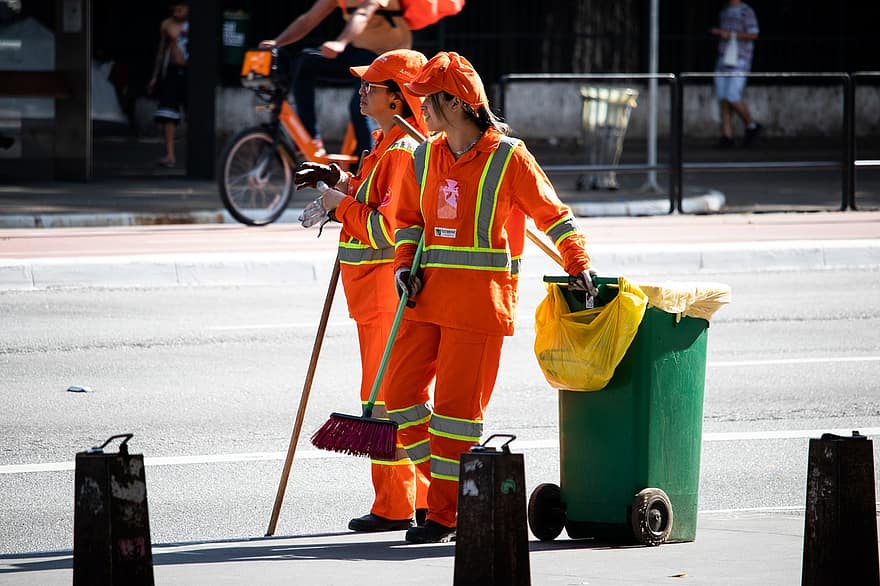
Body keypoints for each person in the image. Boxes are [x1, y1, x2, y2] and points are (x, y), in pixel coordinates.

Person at [382, 51, 598, 544]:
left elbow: (553, 214)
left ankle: (444, 514)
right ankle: (443, 494)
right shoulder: (426, 154)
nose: (422, 110)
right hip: (424, 299)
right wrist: (402, 267)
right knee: (399, 398)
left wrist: (578, 262)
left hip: (478, 310)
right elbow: (409, 222)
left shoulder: (509, 157)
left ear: (456, 104)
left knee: (455, 417)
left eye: (428, 101)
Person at [295, 49, 431, 532]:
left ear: (398, 99)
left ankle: (398, 505)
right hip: (373, 297)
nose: (362, 91)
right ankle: (413, 502)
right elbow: (372, 198)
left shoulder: (400, 151)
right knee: (392, 399)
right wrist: (340, 180)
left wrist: (338, 207)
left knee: (388, 401)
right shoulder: (386, 145)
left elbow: (387, 230)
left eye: (372, 86)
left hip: (385, 298)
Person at [260, 0, 411, 158]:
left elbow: (362, 14)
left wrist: (340, 43)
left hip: (387, 57)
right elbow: (309, 19)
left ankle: (366, 164)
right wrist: (277, 42)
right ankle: (311, 137)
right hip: (358, 52)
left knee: (360, 105)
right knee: (305, 62)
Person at [711, 0, 761, 148]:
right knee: (723, 98)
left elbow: (754, 34)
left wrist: (731, 35)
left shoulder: (746, 11)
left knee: (732, 95)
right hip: (723, 58)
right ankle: (727, 135)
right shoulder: (725, 11)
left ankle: (751, 125)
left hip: (740, 59)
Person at [148, 1, 189, 168]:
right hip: (173, 71)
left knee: (194, 114)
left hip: (191, 74)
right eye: (175, 8)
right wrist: (155, 76)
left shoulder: (195, 24)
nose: (177, 11)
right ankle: (170, 154)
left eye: (181, 8)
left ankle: (196, 155)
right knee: (168, 115)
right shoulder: (167, 24)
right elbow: (161, 51)